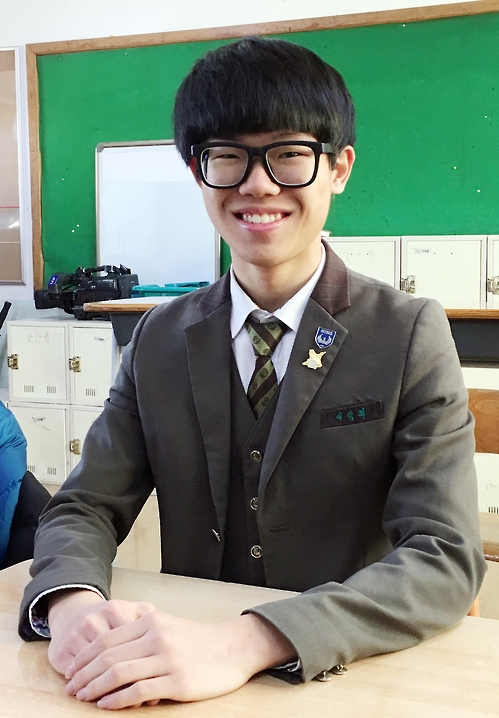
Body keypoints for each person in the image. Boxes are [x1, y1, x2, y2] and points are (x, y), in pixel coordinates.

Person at [19, 37, 485, 710]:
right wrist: (71, 602)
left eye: (289, 154)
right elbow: (86, 505)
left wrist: (250, 639)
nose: (258, 184)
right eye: (228, 156)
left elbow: (444, 554)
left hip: (345, 674)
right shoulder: (159, 338)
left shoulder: (408, 332)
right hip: (184, 679)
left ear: (338, 168)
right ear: (197, 171)